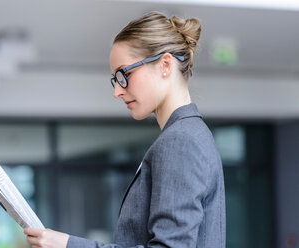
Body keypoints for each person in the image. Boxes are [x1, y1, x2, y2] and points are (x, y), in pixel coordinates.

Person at [24, 11, 226, 248]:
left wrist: (68, 245)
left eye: (124, 74)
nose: (117, 91)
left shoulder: (180, 140)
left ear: (165, 64)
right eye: (115, 79)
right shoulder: (191, 134)